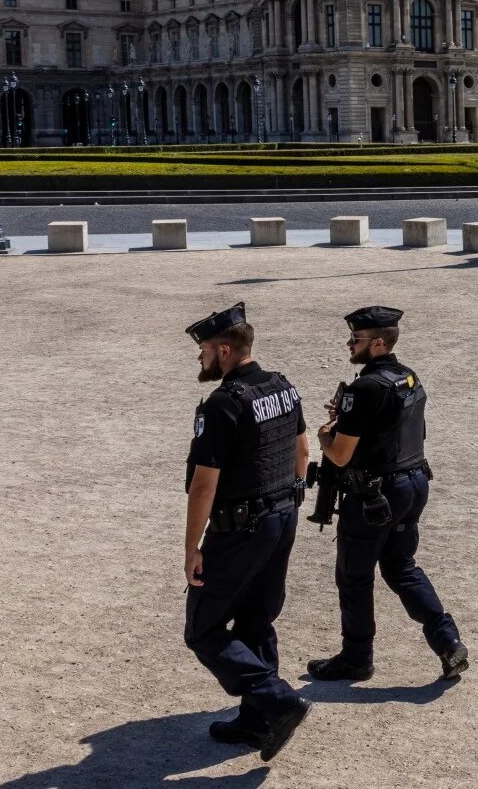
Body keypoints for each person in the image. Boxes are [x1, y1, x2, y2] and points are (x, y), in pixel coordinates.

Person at [308, 305, 469, 683]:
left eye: (356, 339)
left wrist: (325, 435)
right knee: (401, 567)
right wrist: (351, 419)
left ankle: (356, 659)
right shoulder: (407, 377)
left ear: (378, 343)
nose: (350, 344)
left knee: (354, 576)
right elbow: (394, 426)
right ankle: (448, 643)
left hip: (373, 496)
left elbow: (341, 454)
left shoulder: (364, 388)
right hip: (413, 485)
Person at [181, 301, 311, 759]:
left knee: (203, 628)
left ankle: (277, 701)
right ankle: (258, 722)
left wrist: (192, 547)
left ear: (224, 349)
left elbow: (203, 483)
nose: (200, 359)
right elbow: (302, 450)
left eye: (203, 351)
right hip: (282, 516)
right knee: (257, 618)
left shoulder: (223, 403)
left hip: (240, 528)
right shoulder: (283, 386)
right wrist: (288, 502)